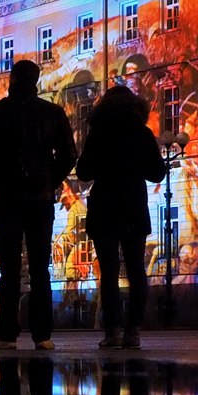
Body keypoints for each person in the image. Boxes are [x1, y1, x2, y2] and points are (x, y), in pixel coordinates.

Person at [0, 59, 77, 351]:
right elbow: (69, 155)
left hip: (7, 198)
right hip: (40, 200)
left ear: (12, 80)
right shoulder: (53, 113)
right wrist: (49, 182)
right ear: (36, 81)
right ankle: (42, 335)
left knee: (9, 267)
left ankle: (7, 334)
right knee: (40, 268)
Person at [77, 84, 167, 349]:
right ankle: (134, 332)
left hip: (105, 205)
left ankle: (112, 331)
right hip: (133, 206)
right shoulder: (143, 133)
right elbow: (158, 174)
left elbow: (84, 171)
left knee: (109, 271)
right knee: (137, 269)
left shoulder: (99, 132)